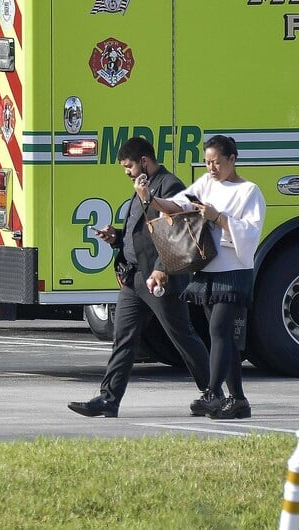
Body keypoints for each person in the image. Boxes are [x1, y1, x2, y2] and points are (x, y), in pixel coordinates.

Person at [68, 137, 210, 418]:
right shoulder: (141, 188)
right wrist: (117, 237)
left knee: (182, 336)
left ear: (144, 161)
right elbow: (142, 233)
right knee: (123, 338)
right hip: (135, 279)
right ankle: (109, 399)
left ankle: (213, 391)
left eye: (129, 165)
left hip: (160, 279)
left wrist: (161, 269)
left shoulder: (170, 185)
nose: (127, 172)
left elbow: (174, 233)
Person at [147, 135, 266, 419]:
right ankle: (237, 399)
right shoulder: (205, 183)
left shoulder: (249, 191)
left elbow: (250, 234)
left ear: (232, 160)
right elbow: (177, 205)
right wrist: (150, 199)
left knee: (220, 332)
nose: (211, 168)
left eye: (216, 162)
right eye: (207, 162)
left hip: (233, 270)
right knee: (220, 336)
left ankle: (214, 393)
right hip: (208, 268)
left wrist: (217, 217)